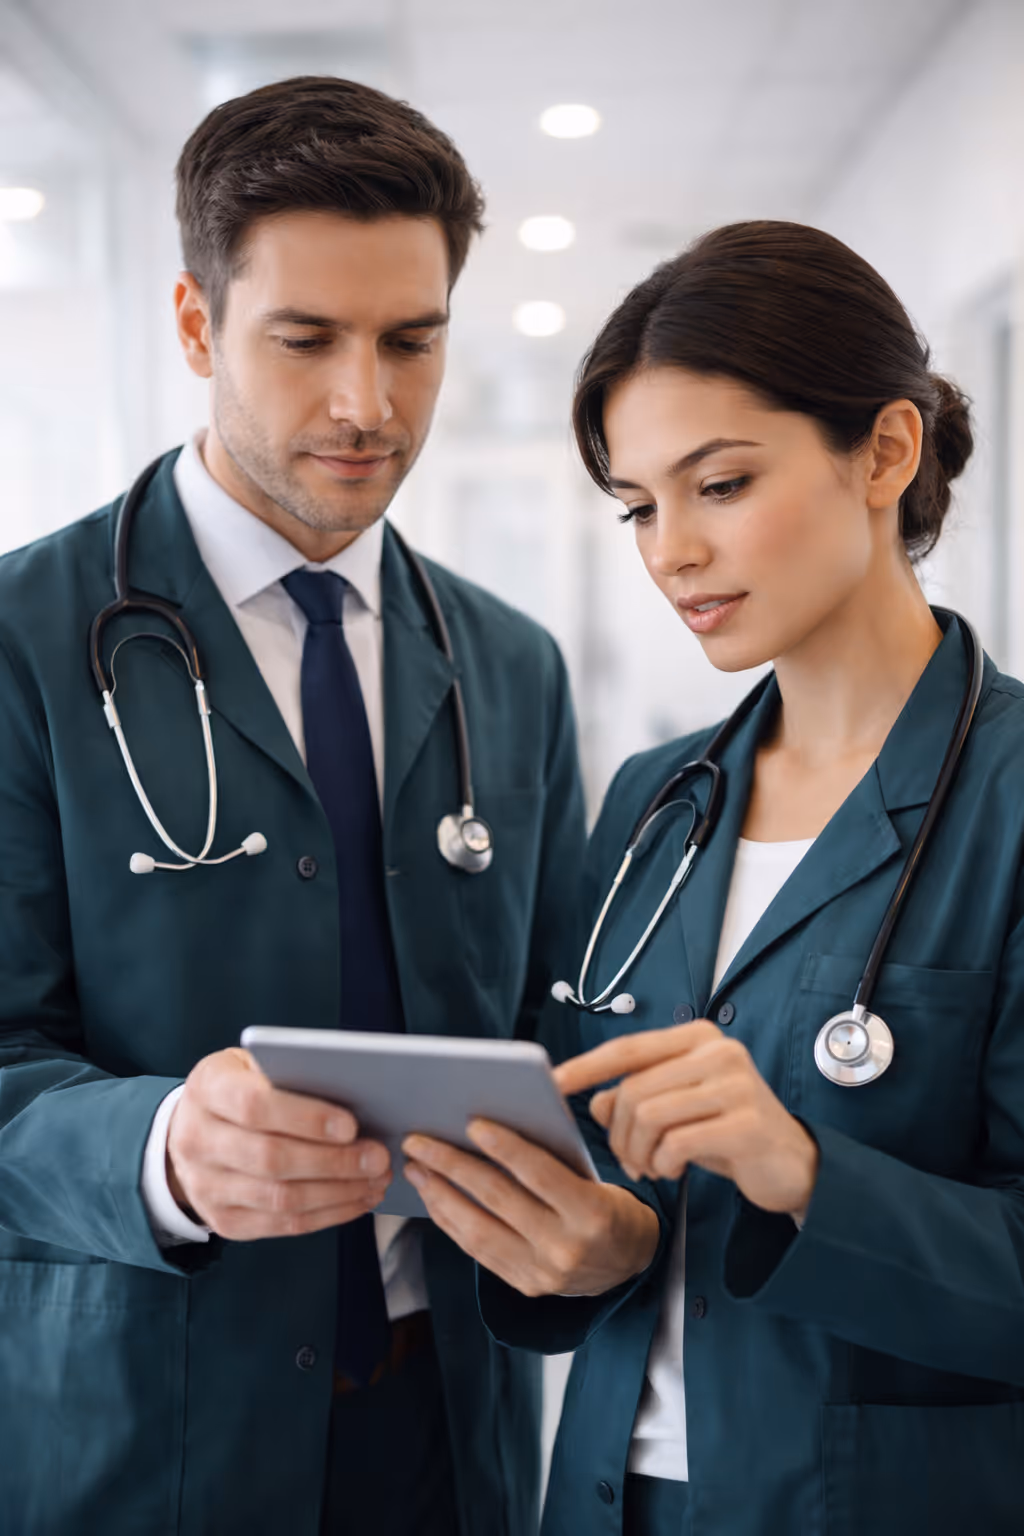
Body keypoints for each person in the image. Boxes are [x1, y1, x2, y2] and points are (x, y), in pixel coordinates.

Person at [0, 76, 585, 1536]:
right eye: (305, 339)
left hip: (449, 1431)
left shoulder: (509, 665)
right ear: (198, 326)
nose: (365, 405)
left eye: (412, 341)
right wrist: (158, 1154)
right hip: (151, 1428)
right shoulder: (24, 639)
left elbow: (567, 1034)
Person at [401, 220, 1024, 1535]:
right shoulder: (651, 803)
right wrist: (581, 1243)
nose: (669, 549)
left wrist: (806, 1171)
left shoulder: (1011, 800)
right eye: (638, 505)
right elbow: (598, 1185)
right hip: (609, 1496)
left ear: (887, 451)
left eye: (720, 484)